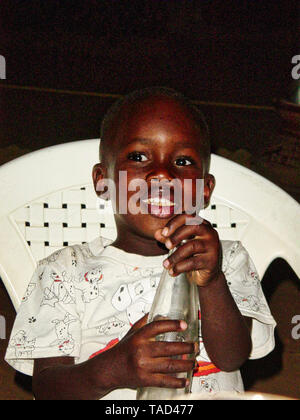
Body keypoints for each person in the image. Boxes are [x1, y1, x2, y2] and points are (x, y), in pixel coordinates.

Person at [5, 87, 276, 400]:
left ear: (204, 188)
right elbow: (47, 389)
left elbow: (232, 357)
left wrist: (212, 281)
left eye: (184, 161)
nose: (162, 173)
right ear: (102, 180)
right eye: (138, 156)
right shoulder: (63, 271)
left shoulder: (226, 259)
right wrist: (114, 367)